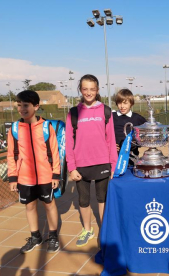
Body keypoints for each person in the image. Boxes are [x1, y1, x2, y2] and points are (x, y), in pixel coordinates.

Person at [66, 74, 118, 247]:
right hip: (81, 165)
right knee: (83, 200)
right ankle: (87, 229)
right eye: (85, 89)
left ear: (97, 90)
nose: (88, 92)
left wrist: (114, 165)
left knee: (102, 199)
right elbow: (69, 142)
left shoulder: (105, 111)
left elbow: (110, 140)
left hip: (102, 163)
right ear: (80, 90)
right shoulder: (73, 113)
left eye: (92, 89)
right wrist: (71, 167)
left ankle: (104, 231)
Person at [7, 90, 60, 254]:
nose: (22, 109)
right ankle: (35, 236)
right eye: (19, 105)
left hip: (45, 176)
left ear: (36, 106)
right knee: (29, 207)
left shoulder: (46, 127)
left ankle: (52, 236)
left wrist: (55, 174)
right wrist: (13, 177)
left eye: (26, 105)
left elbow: (54, 151)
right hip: (25, 177)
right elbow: (11, 154)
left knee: (49, 205)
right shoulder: (15, 128)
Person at [113, 89, 146, 160]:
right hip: (114, 159)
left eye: (125, 103)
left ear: (131, 103)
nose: (122, 106)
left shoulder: (138, 118)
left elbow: (147, 132)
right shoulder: (111, 117)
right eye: (119, 103)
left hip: (132, 159)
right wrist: (109, 145)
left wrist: (138, 142)